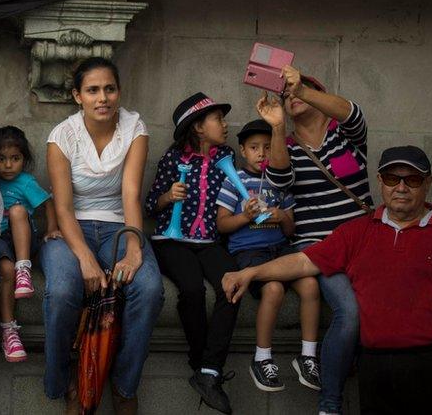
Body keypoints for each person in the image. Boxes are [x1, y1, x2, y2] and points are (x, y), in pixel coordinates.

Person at [223, 146, 432, 415]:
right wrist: (250, 272)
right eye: (391, 178)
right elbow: (302, 261)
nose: (400, 187)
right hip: (378, 367)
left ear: (428, 183)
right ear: (380, 181)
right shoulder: (357, 232)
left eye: (411, 179)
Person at [43, 57, 162, 414]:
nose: (103, 98)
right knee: (63, 290)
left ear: (119, 91)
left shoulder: (134, 127)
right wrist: (84, 258)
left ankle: (123, 385)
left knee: (150, 288)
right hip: (71, 229)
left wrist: (133, 248)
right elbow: (63, 209)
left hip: (117, 226)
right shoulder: (61, 137)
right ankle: (68, 383)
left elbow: (130, 194)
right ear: (77, 96)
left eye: (109, 88)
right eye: (92, 90)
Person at [255, 65, 371, 415]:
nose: (291, 96)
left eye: (300, 91)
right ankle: (329, 405)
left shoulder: (347, 135)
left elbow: (352, 112)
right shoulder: (285, 146)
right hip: (318, 247)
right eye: (286, 94)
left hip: (364, 244)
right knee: (349, 313)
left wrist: (300, 87)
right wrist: (276, 128)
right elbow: (278, 180)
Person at [143, 93, 237, 413]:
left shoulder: (227, 156)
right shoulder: (173, 159)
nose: (224, 125)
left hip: (210, 241)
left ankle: (210, 370)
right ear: (198, 127)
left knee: (232, 285)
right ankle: (200, 363)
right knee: (192, 289)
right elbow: (150, 205)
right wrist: (168, 196)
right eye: (218, 120)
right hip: (171, 241)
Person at [214, 119, 320, 394]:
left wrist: (282, 215)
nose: (262, 153)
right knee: (273, 290)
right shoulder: (232, 180)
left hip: (282, 250)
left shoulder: (280, 181)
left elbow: (290, 228)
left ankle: (308, 355)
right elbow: (221, 225)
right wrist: (244, 217)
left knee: (310, 285)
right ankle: (262, 357)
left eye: (268, 147)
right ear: (243, 151)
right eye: (254, 147)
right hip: (249, 252)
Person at [0, 126, 60, 363]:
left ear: (24, 159)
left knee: (18, 211)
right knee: (5, 271)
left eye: (15, 158)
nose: (8, 165)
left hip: (23, 240)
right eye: (1, 159)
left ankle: (24, 269)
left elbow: (48, 203)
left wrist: (51, 228)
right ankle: (9, 331)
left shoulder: (26, 181)